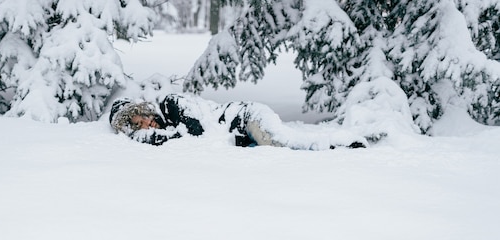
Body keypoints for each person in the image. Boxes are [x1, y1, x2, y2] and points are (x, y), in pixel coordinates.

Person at [108, 94, 367, 149]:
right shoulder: (169, 128)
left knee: (283, 145)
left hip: (245, 118)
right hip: (243, 135)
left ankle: (341, 145)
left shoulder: (170, 104)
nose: (144, 123)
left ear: (144, 109)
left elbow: (197, 133)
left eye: (140, 116)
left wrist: (165, 138)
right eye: (137, 126)